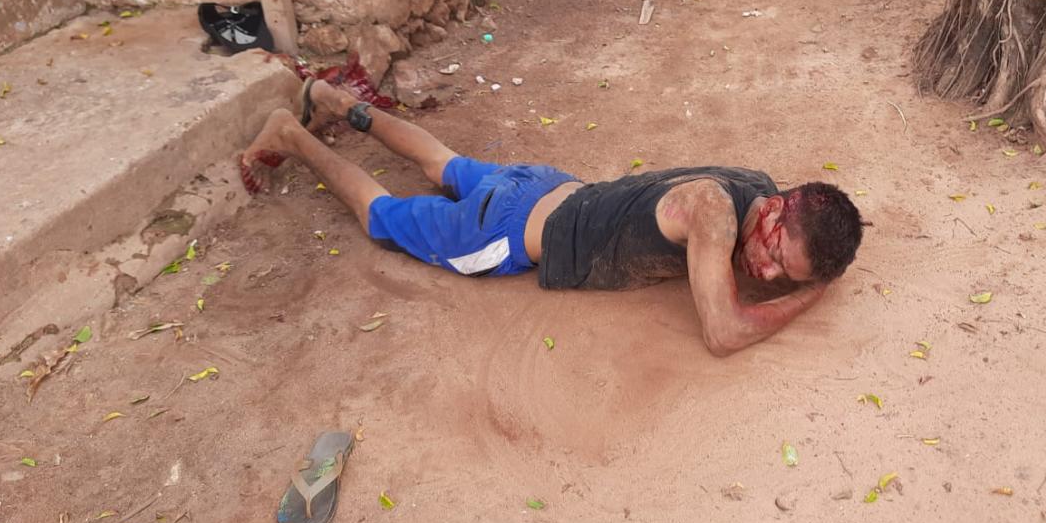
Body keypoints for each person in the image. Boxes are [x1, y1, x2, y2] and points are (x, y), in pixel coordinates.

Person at [240, 81, 864, 355]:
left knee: (441, 162)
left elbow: (801, 231)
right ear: (775, 211)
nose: (767, 273)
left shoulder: (759, 186)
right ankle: (291, 134)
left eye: (783, 275)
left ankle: (331, 99)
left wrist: (809, 265)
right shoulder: (715, 217)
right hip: (501, 231)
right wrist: (809, 294)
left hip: (546, 186)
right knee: (382, 216)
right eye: (776, 257)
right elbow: (723, 334)